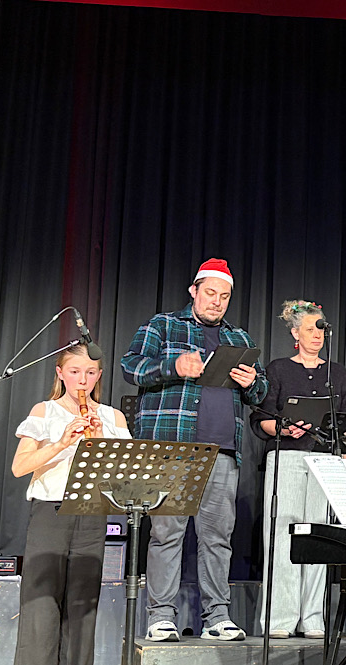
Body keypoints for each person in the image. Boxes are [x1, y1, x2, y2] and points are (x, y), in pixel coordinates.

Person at [121, 257, 268, 642]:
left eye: (224, 296)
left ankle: (217, 617)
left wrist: (252, 382)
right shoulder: (163, 325)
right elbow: (131, 367)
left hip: (222, 452)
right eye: (210, 293)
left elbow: (261, 393)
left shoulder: (240, 339)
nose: (216, 301)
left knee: (218, 538)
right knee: (166, 533)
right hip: (172, 448)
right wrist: (173, 366)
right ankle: (160, 617)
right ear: (194, 291)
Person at [11, 343, 131, 665]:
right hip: (50, 511)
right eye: (75, 372)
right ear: (61, 373)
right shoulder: (44, 412)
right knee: (40, 607)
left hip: (92, 512)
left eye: (91, 373)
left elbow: (126, 477)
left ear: (99, 376)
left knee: (82, 611)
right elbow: (19, 467)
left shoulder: (112, 417)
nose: (83, 380)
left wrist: (102, 441)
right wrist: (62, 442)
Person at [251, 300, 346, 639]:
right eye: (310, 328)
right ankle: (279, 619)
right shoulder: (279, 369)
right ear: (295, 333)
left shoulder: (337, 374)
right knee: (283, 536)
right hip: (287, 456)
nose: (317, 334)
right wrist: (283, 428)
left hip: (325, 462)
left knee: (318, 537)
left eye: (320, 328)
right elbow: (261, 419)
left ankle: (312, 617)